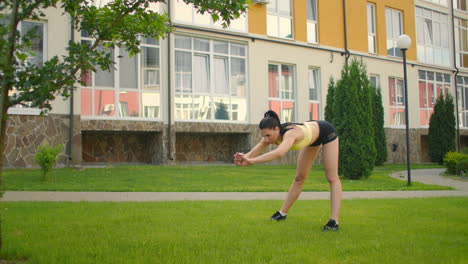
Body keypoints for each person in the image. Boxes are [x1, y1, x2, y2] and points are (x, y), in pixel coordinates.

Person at [234, 110, 342, 231]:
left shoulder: (290, 134)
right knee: (299, 178)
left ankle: (334, 221)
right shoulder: (270, 135)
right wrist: (245, 158)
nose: (266, 139)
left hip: (326, 132)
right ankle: (282, 213)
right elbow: (254, 152)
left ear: (276, 129)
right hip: (312, 136)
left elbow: (279, 153)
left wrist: (252, 162)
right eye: (263, 136)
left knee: (332, 177)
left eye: (268, 135)